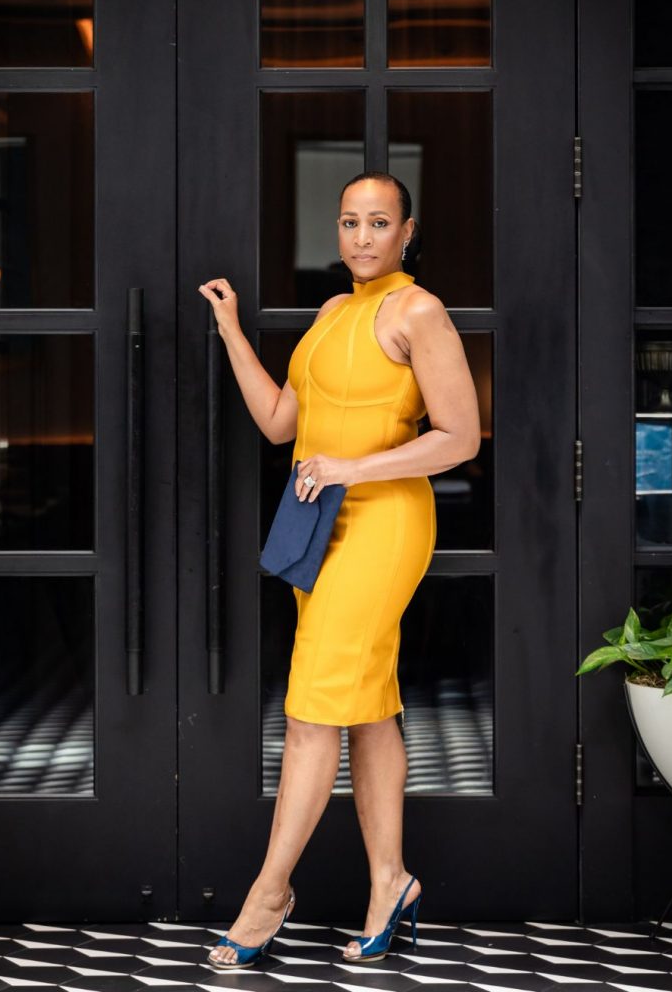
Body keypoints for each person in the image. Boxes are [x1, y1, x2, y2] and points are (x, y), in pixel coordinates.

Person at [197, 171, 481, 969]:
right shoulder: (330, 314)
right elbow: (281, 423)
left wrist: (351, 469)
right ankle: (389, 881)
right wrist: (230, 331)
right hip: (321, 525)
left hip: (384, 523)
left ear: (406, 230)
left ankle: (268, 893)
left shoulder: (417, 311)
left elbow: (460, 437)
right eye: (349, 221)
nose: (361, 236)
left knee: (310, 711)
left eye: (378, 222)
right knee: (366, 705)